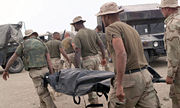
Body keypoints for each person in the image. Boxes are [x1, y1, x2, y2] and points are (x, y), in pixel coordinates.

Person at [97, 2, 160, 108]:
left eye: (102, 17)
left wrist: (120, 85)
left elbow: (121, 53)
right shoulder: (131, 29)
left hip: (129, 79)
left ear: (106, 16)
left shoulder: (112, 28)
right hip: (145, 75)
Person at [2, 29, 57, 108]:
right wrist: (51, 73)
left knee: (43, 93)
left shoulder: (23, 44)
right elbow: (49, 60)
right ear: (34, 34)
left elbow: (13, 58)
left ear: (27, 36)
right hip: (45, 70)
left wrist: (6, 70)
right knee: (42, 90)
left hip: (35, 73)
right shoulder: (42, 43)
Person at [71, 16, 106, 105]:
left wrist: (77, 67)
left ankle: (94, 103)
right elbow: (101, 45)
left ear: (76, 25)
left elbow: (78, 52)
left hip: (87, 61)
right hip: (97, 58)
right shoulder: (93, 32)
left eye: (74, 25)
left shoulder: (78, 35)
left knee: (90, 83)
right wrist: (104, 58)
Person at [159, 0, 180, 107]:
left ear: (167, 9)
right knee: (174, 95)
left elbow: (174, 52)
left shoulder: (173, 24)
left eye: (161, 9)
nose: (161, 11)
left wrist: (170, 75)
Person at [46, 32, 70, 98]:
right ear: (56, 36)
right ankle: (57, 91)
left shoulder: (47, 43)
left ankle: (52, 89)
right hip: (57, 61)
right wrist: (67, 58)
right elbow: (62, 51)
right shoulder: (58, 43)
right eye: (59, 35)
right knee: (58, 76)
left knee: (52, 76)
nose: (60, 37)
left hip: (50, 61)